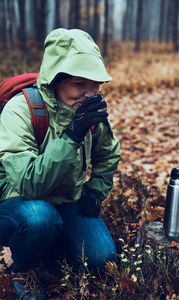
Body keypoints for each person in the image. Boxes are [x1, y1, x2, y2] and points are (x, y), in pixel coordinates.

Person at [0, 28, 120, 300]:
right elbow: (29, 185)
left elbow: (109, 153)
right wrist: (72, 135)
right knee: (38, 218)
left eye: (96, 85)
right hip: (17, 203)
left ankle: (47, 244)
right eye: (80, 84)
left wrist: (96, 191)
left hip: (66, 200)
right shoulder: (21, 110)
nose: (90, 93)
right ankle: (23, 268)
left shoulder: (88, 108)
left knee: (101, 260)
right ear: (55, 80)